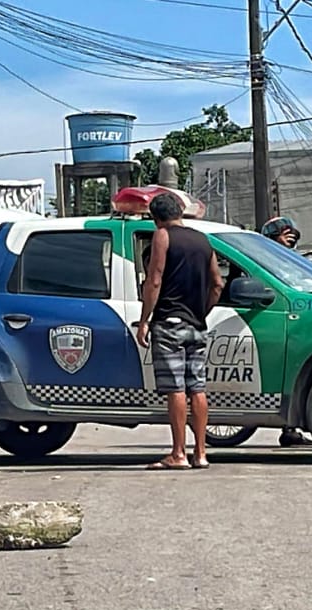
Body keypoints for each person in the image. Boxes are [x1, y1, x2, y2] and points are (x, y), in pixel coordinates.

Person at [136, 192, 224, 470]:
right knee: (197, 387)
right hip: (196, 325)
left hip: (169, 324)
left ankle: (178, 453)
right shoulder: (203, 240)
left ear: (156, 218)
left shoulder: (162, 236)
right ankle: (201, 453)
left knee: (175, 388)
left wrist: (145, 319)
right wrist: (201, 311)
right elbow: (217, 284)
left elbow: (154, 279)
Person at [259, 216, 312, 448]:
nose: (290, 238)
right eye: (284, 234)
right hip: (269, 325)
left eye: (292, 235)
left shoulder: (294, 262)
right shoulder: (262, 262)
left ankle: (290, 429)